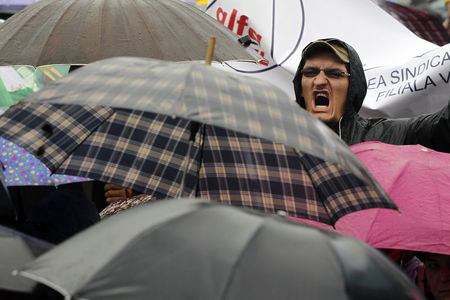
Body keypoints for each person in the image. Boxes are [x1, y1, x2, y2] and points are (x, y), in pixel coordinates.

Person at [292, 38, 450, 153]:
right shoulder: (279, 142)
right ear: (300, 88)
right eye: (310, 73)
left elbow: (443, 127)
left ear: (352, 88)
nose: (319, 81)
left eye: (334, 74)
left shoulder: (386, 135)